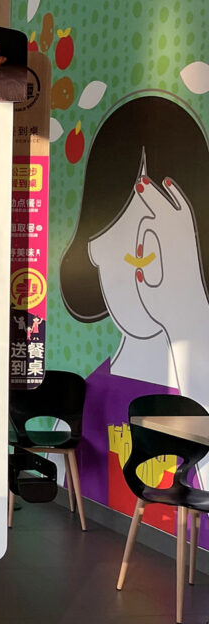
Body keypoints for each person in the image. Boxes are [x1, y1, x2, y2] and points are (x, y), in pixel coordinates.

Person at [59, 95, 209, 514]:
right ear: (90, 248)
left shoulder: (198, 385)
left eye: (162, 236)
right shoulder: (97, 386)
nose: (143, 263)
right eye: (127, 234)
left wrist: (191, 322)